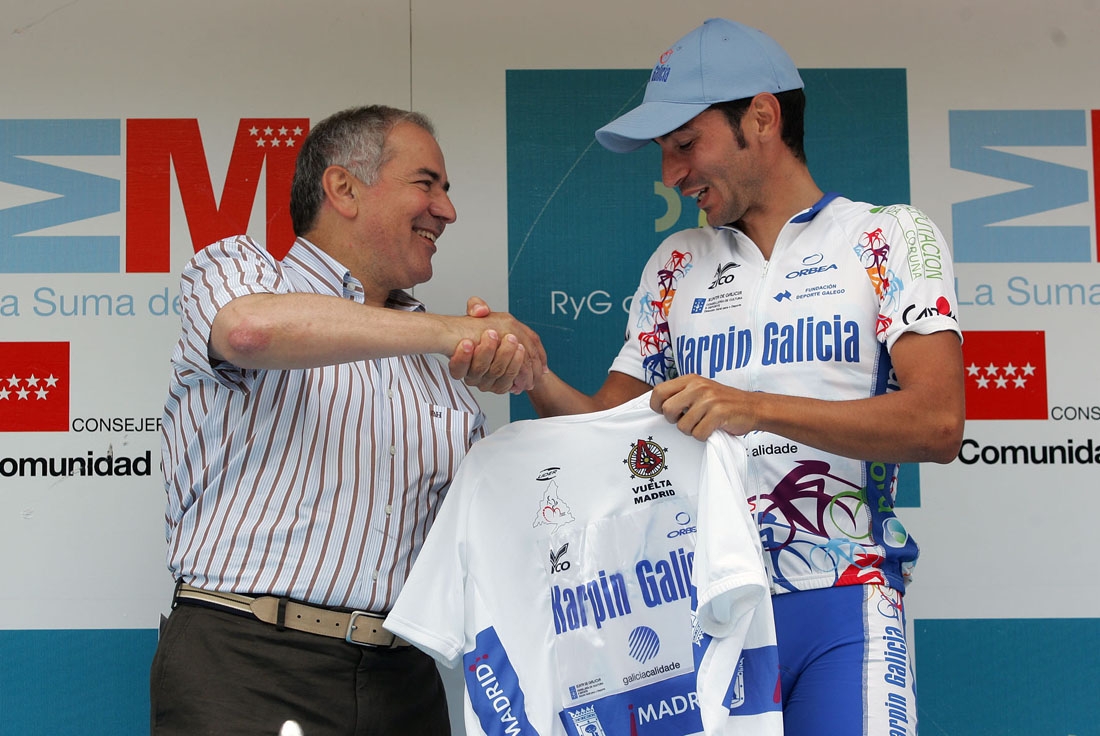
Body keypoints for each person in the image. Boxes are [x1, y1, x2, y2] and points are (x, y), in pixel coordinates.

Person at [454, 18, 964, 736]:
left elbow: (938, 424)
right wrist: (532, 373)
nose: (671, 174)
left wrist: (752, 407)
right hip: (701, 606)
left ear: (762, 118)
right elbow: (607, 433)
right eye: (664, 152)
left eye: (686, 144)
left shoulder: (889, 237)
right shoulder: (676, 265)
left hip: (845, 595)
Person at [151, 104, 545, 736]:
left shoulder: (439, 365)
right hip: (247, 660)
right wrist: (449, 332)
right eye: (427, 184)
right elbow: (249, 332)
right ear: (343, 188)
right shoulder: (236, 268)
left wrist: (529, 371)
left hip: (403, 677)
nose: (446, 210)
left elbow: (488, 544)